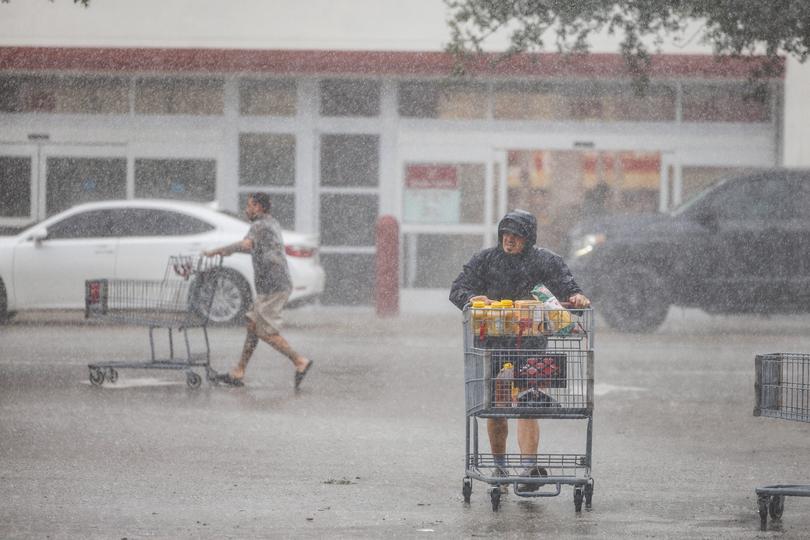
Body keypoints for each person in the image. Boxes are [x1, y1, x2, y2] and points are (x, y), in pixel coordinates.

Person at [449, 209, 590, 492]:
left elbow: (569, 290)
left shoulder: (546, 262)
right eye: (506, 234)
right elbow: (457, 290)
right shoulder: (486, 260)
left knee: (529, 403)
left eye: (516, 236)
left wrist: (575, 297)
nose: (509, 241)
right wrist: (470, 298)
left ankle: (528, 468)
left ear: (529, 239)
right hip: (492, 346)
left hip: (531, 346)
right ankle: (501, 469)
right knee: (495, 408)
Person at [204, 193, 313, 389]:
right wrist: (228, 250)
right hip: (271, 285)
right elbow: (253, 247)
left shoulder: (259, 225)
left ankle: (299, 361)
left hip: (274, 286)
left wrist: (219, 250)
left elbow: (246, 244)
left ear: (258, 207)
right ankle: (238, 372)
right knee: (253, 325)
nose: (247, 210)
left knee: (266, 331)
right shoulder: (271, 223)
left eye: (249, 206)